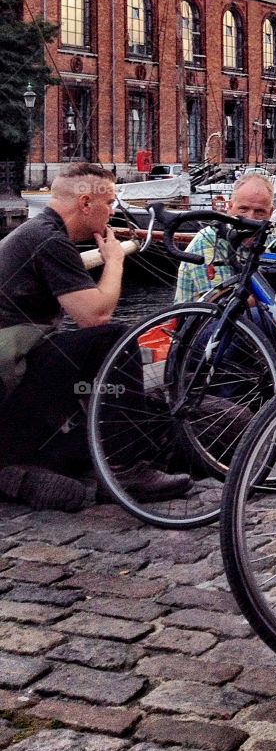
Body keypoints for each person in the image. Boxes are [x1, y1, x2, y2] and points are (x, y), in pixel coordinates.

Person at [0, 162, 190, 510]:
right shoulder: (49, 241)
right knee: (112, 338)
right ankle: (127, 469)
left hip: (14, 374)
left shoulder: (36, 232)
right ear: (86, 203)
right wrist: (114, 261)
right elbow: (95, 316)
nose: (113, 211)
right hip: (11, 378)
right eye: (110, 203)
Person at [175, 174, 276, 302]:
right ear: (230, 207)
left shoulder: (271, 240)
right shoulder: (209, 241)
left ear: (270, 213)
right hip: (206, 319)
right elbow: (223, 302)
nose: (251, 217)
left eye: (260, 211)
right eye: (243, 209)